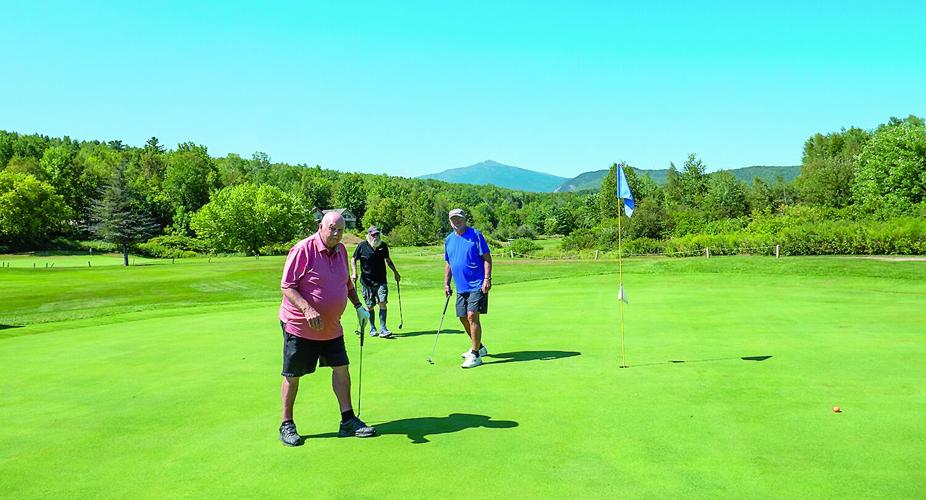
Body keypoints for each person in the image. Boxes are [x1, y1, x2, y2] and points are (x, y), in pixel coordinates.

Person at [277, 212, 376, 446]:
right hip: (300, 325)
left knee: (341, 368)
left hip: (332, 326)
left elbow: (346, 283)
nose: (336, 234)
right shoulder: (303, 249)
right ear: (321, 226)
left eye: (340, 230)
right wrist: (307, 309)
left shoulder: (341, 250)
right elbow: (287, 286)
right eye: (332, 229)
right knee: (293, 375)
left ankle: (348, 420)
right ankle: (286, 424)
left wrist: (359, 306)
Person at [443, 208, 492, 369]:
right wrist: (446, 283)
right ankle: (479, 347)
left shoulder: (475, 235)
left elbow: (486, 257)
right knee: (463, 317)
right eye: (453, 219)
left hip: (477, 284)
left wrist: (487, 278)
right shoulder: (449, 240)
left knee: (472, 316)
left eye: (458, 218)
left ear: (465, 219)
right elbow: (449, 263)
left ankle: (475, 355)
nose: (456, 221)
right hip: (461, 287)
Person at [350, 226, 401, 338]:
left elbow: (388, 260)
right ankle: (372, 328)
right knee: (370, 306)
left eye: (377, 234)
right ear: (368, 235)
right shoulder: (362, 246)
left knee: (382, 302)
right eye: (373, 235)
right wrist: (354, 272)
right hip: (366, 282)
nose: (376, 237)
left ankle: (383, 328)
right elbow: (353, 259)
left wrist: (395, 273)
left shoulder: (383, 246)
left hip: (381, 281)